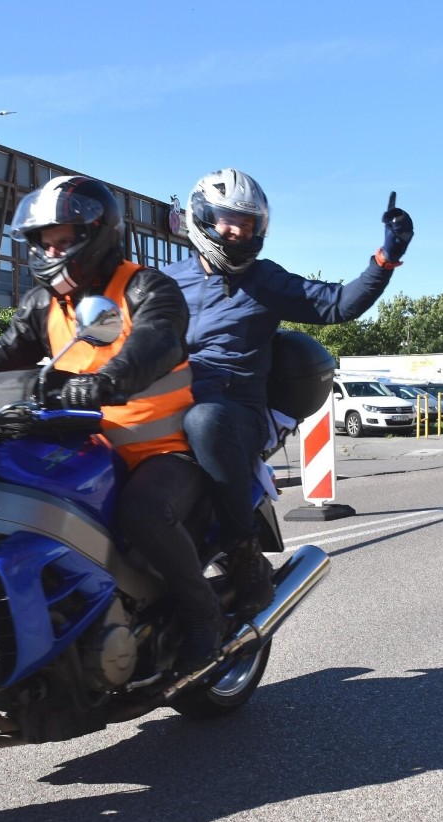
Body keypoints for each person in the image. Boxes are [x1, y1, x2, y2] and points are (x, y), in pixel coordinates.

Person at [0, 174, 223, 671]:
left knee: (143, 512)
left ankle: (202, 612)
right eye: (45, 242)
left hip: (159, 450)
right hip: (84, 446)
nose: (52, 252)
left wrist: (108, 379)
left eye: (64, 241)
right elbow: (1, 355)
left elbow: (158, 340)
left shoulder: (146, 287)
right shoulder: (44, 304)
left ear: (97, 234)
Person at [163, 169, 414, 613]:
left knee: (205, 419)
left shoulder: (265, 280)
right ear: (201, 218)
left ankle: (244, 553)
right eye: (227, 220)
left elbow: (338, 303)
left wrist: (386, 258)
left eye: (248, 223)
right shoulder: (167, 281)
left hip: (233, 411)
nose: (238, 231)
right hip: (167, 401)